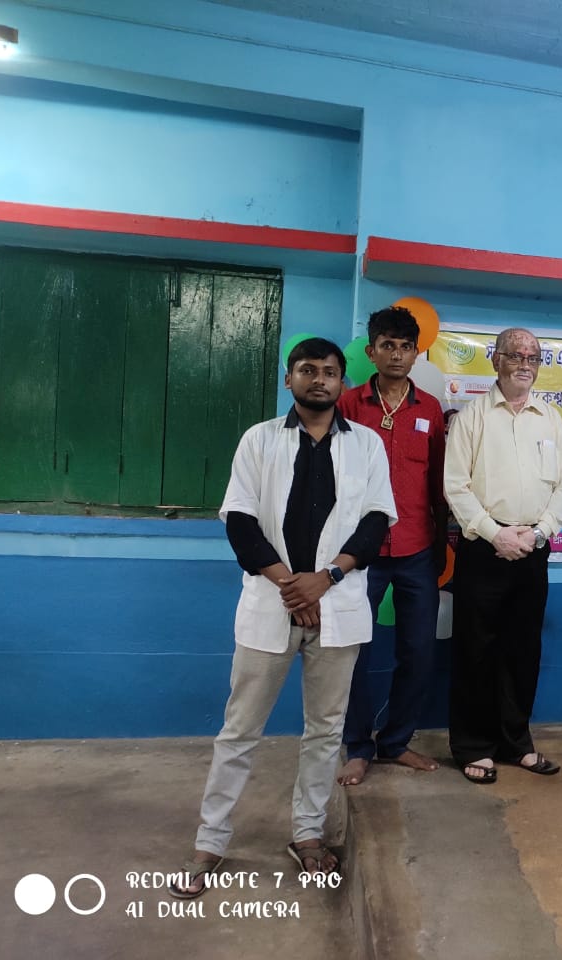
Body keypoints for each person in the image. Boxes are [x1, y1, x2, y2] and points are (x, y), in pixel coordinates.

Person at [169, 337, 397, 898]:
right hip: (272, 603)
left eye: (329, 371)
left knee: (325, 730)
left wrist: (326, 578)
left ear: (342, 382)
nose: (319, 379)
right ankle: (210, 841)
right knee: (240, 729)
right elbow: (240, 522)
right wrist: (292, 586)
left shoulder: (367, 444)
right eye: (307, 370)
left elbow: (375, 524)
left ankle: (308, 833)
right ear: (288, 378)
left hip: (337, 604)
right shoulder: (260, 439)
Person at [443, 327, 562, 785]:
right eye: (515, 355)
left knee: (523, 649)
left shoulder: (550, 419)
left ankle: (516, 742)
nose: (524, 363)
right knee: (476, 649)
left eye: (533, 356)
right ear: (495, 360)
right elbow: (455, 486)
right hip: (484, 549)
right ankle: (473, 746)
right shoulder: (472, 418)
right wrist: (494, 534)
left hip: (533, 549)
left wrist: (539, 533)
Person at [336, 306, 449, 785]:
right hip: (359, 553)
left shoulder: (430, 410)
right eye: (388, 345)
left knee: (418, 652)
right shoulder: (349, 405)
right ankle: (358, 746)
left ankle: (397, 741)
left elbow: (439, 481)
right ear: (371, 351)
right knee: (351, 652)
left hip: (417, 549)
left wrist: (442, 544)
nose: (397, 355)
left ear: (416, 353)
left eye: (405, 347)